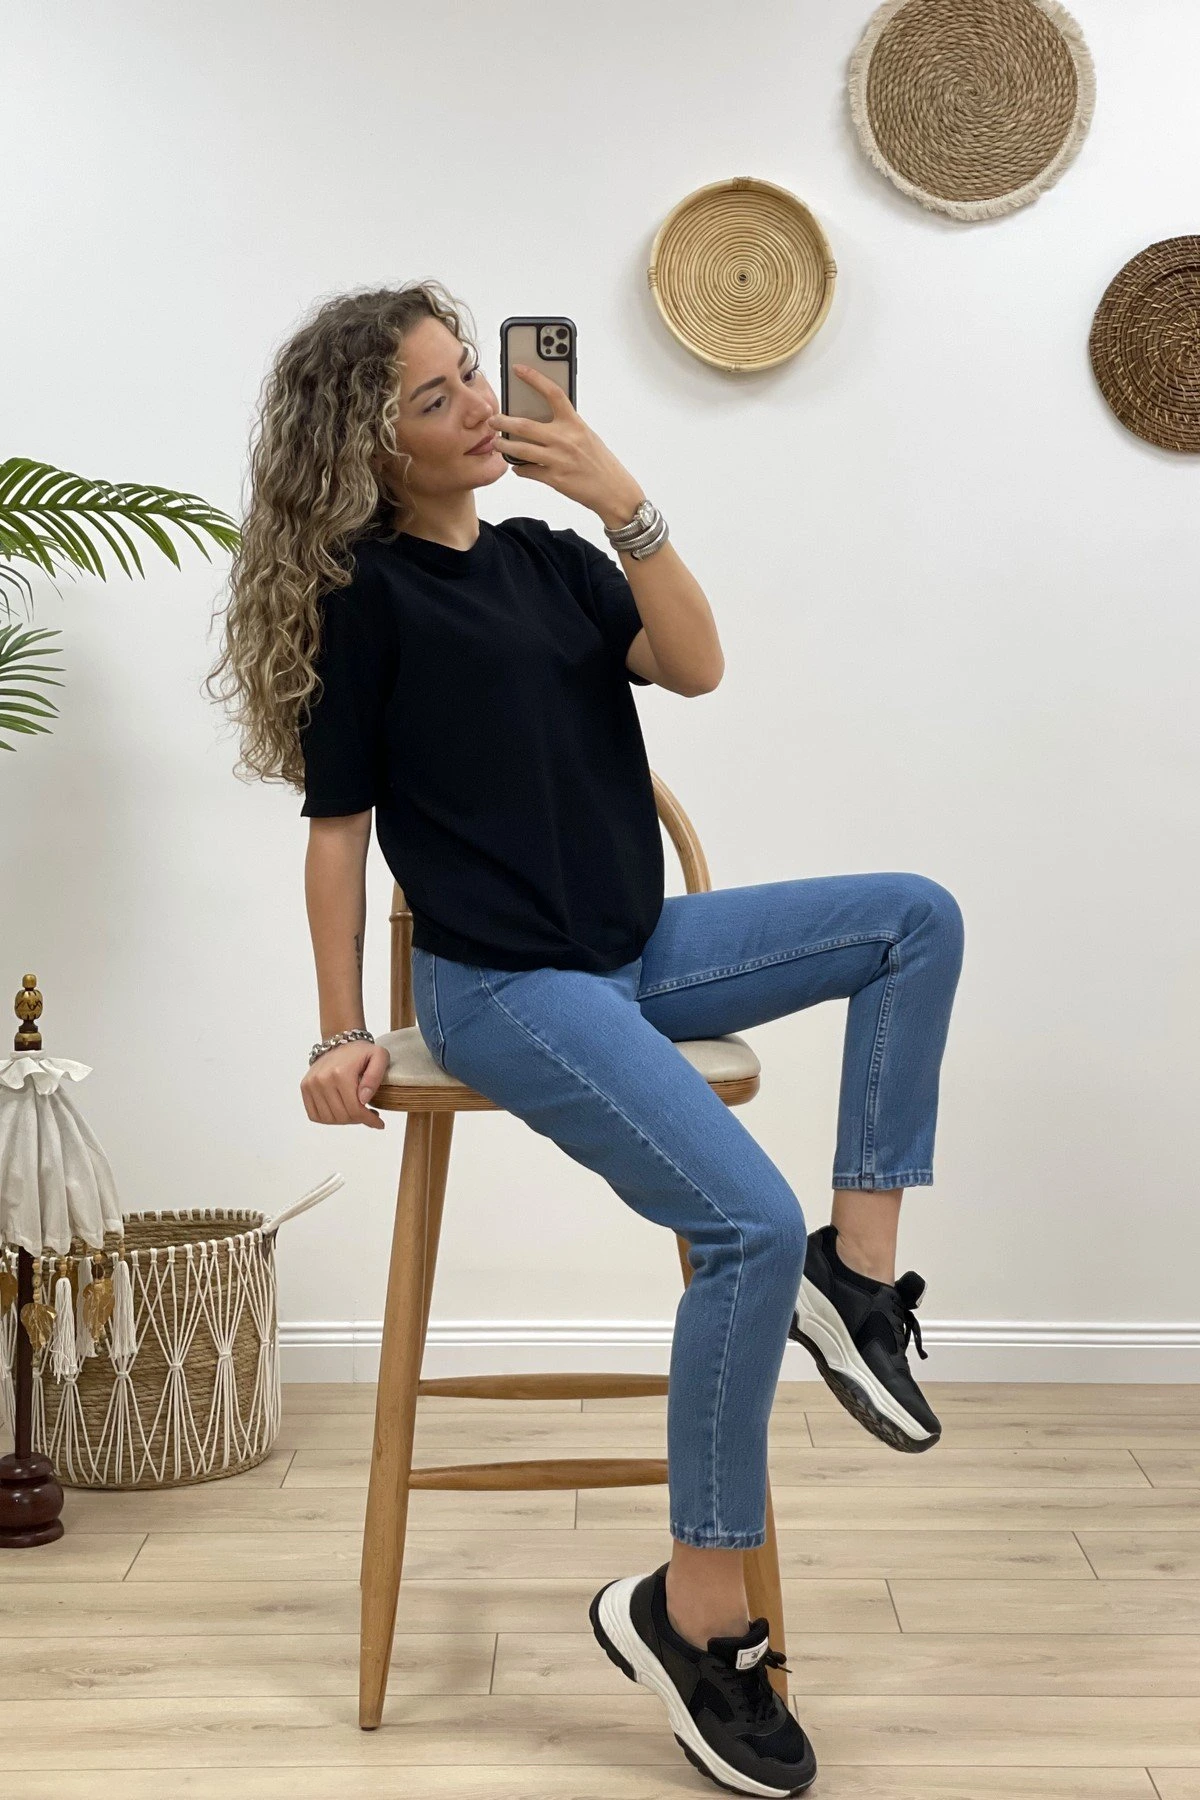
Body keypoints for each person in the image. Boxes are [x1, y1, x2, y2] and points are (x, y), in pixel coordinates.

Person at [206, 278, 964, 1799]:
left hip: (637, 947)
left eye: (469, 375)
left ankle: (858, 1277)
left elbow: (697, 665)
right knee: (743, 1220)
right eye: (434, 397)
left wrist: (621, 500)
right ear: (366, 448)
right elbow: (338, 835)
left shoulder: (555, 559)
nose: (477, 406)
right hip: (502, 988)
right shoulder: (366, 599)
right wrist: (341, 1027)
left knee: (913, 919)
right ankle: (696, 1617)